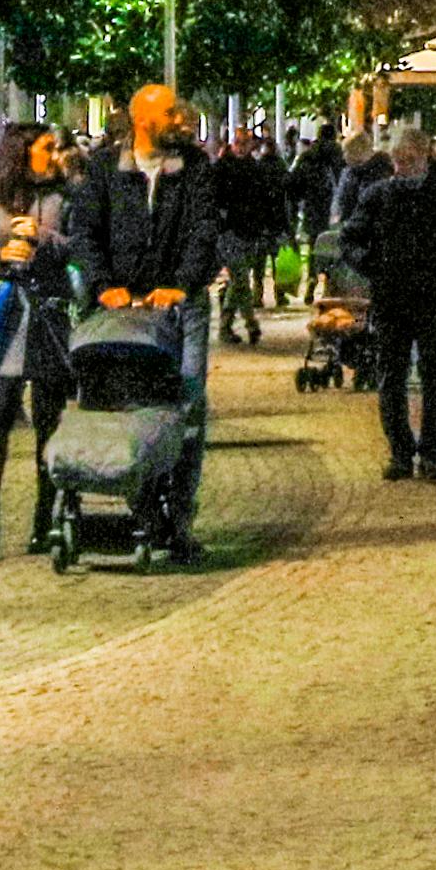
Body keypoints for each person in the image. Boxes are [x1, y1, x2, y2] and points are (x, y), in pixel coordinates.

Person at [73, 84, 221, 560]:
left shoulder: (195, 168)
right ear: (142, 120)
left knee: (186, 406)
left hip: (180, 309)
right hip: (122, 313)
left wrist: (181, 284)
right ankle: (143, 510)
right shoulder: (105, 170)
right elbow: (86, 233)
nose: (180, 120)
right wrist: (103, 286)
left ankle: (179, 519)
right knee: (129, 407)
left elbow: (203, 231)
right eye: (169, 113)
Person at [0, 122, 78, 556]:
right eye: (47, 147)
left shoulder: (63, 197)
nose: (55, 153)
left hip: (47, 312)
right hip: (5, 314)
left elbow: (80, 248)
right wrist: (0, 256)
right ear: (24, 152)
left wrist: (42, 239)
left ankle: (45, 518)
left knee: (49, 417)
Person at [347, 123, 436, 480]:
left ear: (425, 157)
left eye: (409, 159)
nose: (403, 166)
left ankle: (432, 452)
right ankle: (401, 452)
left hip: (433, 298)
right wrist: (373, 266)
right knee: (392, 375)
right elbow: (351, 239)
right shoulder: (378, 196)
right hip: (391, 298)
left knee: (434, 373)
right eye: (398, 159)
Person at [208, 130, 289, 347]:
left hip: (250, 232)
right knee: (241, 279)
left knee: (238, 282)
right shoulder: (222, 168)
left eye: (245, 143)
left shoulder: (255, 169)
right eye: (238, 143)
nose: (241, 147)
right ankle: (249, 324)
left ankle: (229, 326)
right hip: (229, 232)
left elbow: (264, 200)